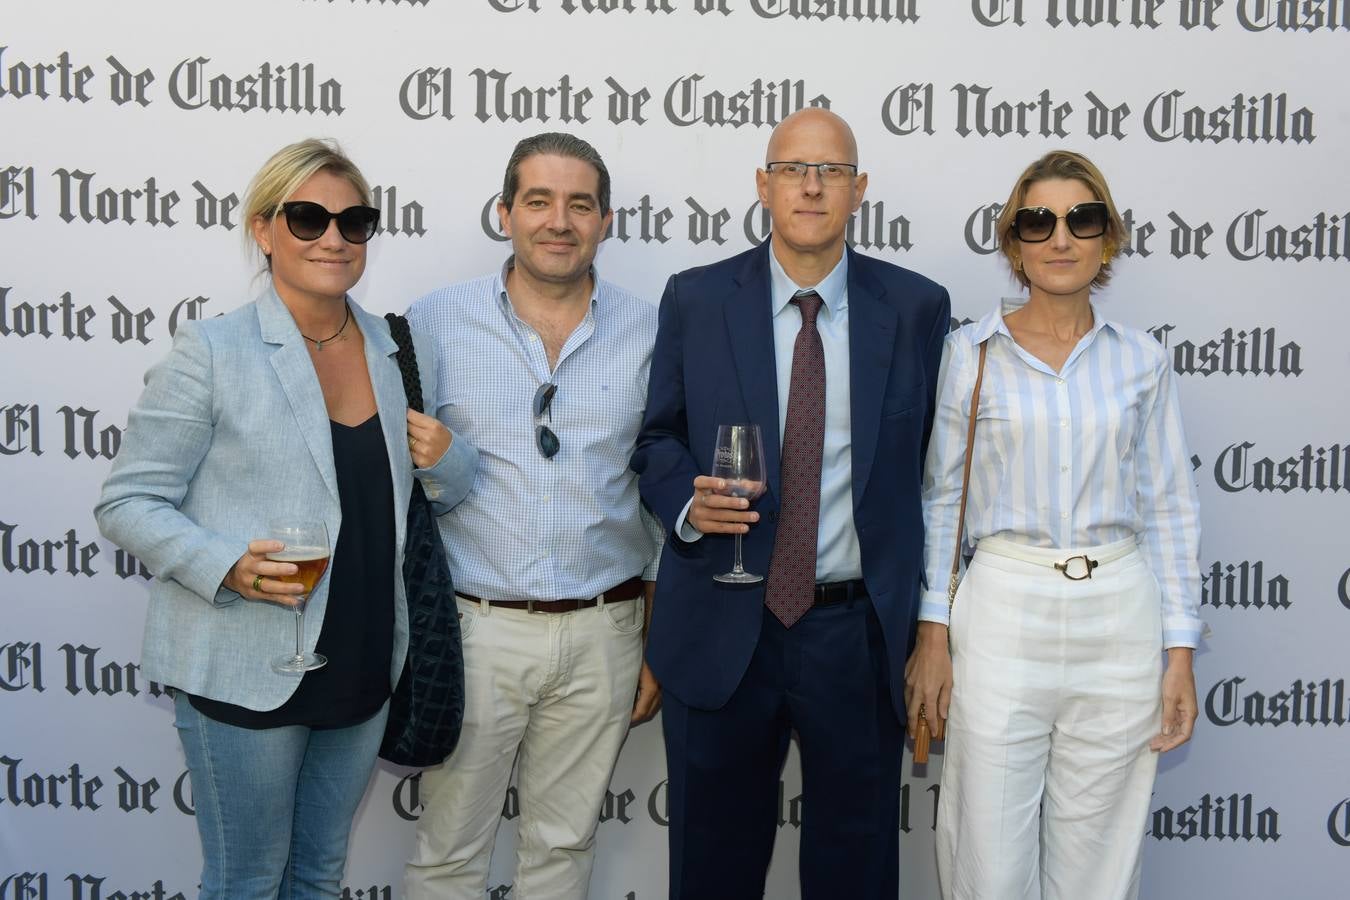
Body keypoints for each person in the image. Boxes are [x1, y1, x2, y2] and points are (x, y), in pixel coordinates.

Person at [94, 138, 477, 900]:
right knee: (247, 881)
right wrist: (225, 565)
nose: (333, 237)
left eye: (354, 220)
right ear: (264, 230)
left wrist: (447, 458)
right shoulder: (213, 348)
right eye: (308, 218)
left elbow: (451, 487)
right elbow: (126, 501)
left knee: (317, 876)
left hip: (364, 662)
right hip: (246, 664)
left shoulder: (399, 349)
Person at [632, 107, 951, 899]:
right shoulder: (697, 299)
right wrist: (686, 507)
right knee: (712, 870)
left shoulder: (917, 309)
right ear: (763, 185)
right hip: (721, 622)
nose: (812, 185)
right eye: (793, 169)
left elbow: (935, 476)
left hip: (859, 635)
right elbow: (657, 441)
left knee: (857, 872)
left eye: (832, 171)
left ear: (859, 190)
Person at [907, 149, 1203, 900]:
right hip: (1004, 609)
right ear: (1013, 242)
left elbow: (1169, 507)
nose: (1062, 237)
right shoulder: (967, 356)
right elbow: (942, 502)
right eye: (1039, 221)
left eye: (1084, 218)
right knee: (987, 849)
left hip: (1121, 613)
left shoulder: (1142, 361)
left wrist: (1180, 651)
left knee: (1099, 861)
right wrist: (932, 635)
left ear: (1108, 237)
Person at [403, 132, 662, 900]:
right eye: (539, 201)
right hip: (475, 629)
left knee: (563, 850)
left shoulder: (650, 331)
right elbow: (396, 483)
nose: (559, 220)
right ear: (505, 213)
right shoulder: (435, 322)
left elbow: (656, 490)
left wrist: (656, 633)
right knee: (450, 850)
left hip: (605, 634)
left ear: (605, 221)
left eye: (579, 203)